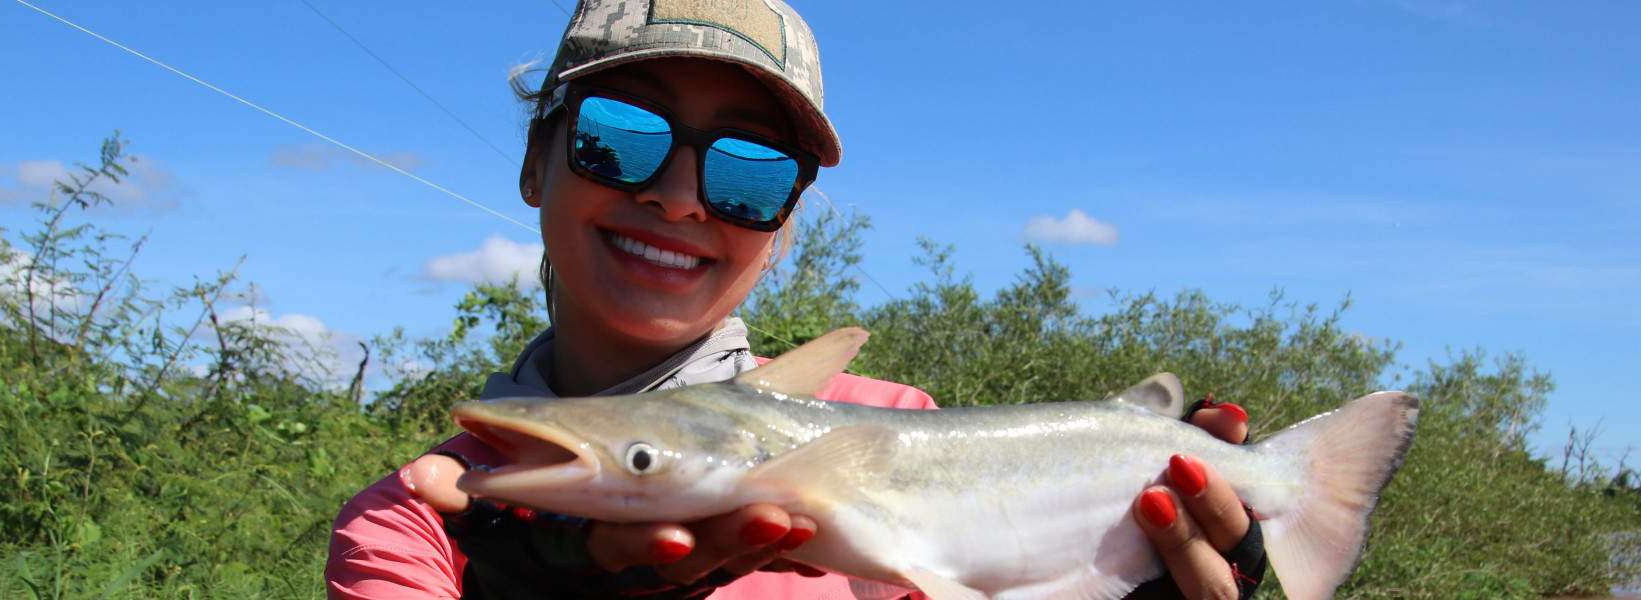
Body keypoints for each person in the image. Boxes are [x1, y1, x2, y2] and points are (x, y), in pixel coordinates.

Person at [327, 1, 1265, 598]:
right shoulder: (413, 524)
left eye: (749, 171)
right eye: (621, 137)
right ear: (537, 160)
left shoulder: (904, 427)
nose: (681, 197)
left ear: (782, 231)